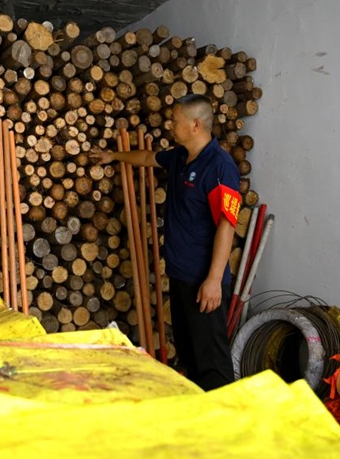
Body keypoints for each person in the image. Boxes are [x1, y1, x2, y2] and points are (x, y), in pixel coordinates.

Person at [89, 94, 241, 391]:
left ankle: (224, 420)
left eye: (176, 120)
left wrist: (213, 279)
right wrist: (114, 157)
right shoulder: (181, 157)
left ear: (196, 125)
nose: (170, 125)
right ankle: (197, 415)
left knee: (211, 361)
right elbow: (148, 158)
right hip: (181, 274)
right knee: (189, 352)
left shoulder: (220, 167)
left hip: (203, 281)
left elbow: (228, 224)